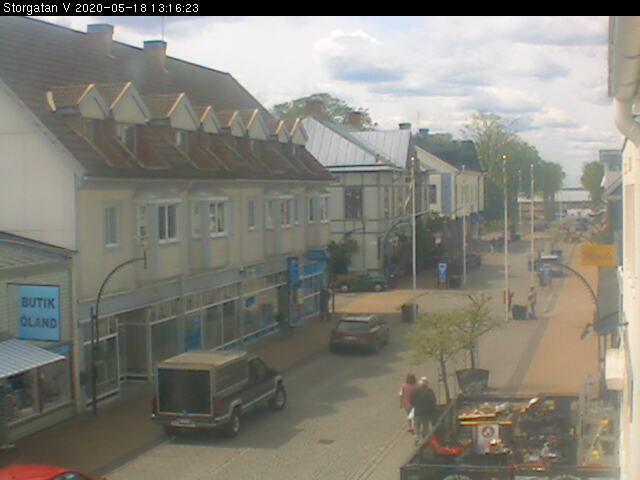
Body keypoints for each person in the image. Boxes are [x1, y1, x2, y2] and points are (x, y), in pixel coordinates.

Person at [410, 376, 437, 445]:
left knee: (417, 426)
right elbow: (433, 401)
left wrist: (415, 405)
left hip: (418, 412)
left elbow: (411, 400)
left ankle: (416, 438)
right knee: (425, 426)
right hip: (426, 412)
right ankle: (424, 440)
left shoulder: (416, 391)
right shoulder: (429, 391)